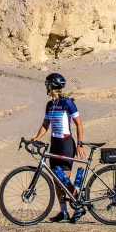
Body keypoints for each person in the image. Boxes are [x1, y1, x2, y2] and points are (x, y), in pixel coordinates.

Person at [31, 72, 86, 223]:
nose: (46, 86)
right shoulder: (50, 104)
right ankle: (63, 213)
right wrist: (37, 137)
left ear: (53, 85)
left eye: (47, 84)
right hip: (54, 144)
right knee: (56, 180)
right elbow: (45, 124)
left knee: (63, 180)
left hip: (66, 144)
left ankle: (79, 205)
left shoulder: (66, 103)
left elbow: (79, 124)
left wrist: (80, 144)